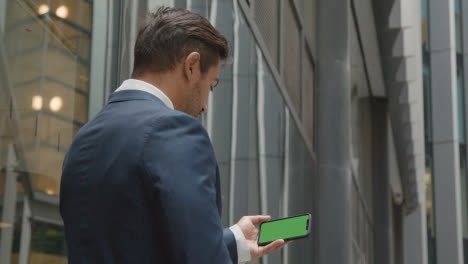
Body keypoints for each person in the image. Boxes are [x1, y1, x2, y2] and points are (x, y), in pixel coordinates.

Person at [60, 7, 290, 264]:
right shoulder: (173, 130)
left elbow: (132, 241)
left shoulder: (83, 139)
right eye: (210, 87)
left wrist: (236, 239)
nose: (204, 106)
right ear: (191, 66)